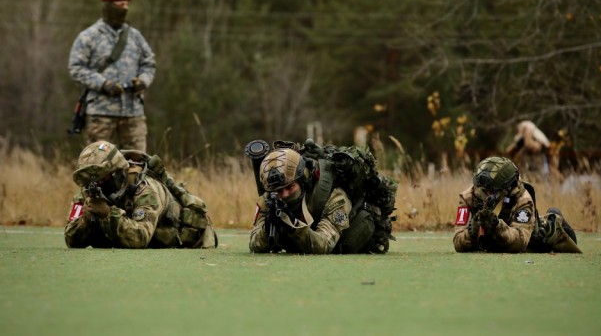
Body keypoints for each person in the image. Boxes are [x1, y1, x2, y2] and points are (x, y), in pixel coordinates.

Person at [65, 141, 217, 249]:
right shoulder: (88, 192)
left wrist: (108, 214)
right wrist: (84, 221)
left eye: (103, 179)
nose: (98, 185)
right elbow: (71, 240)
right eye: (92, 180)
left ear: (118, 173)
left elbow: (140, 238)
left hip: (187, 241)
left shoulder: (146, 189)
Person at [249, 144, 396, 254]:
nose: (285, 195)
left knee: (345, 247)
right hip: (308, 233)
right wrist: (267, 229)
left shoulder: (334, 196)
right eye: (279, 191)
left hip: (344, 233)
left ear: (303, 180)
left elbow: (324, 244)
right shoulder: (270, 197)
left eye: (290, 187)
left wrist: (292, 226)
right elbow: (254, 244)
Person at [68, 0, 155, 152]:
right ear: (108, 6)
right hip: (101, 115)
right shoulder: (89, 36)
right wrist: (103, 84)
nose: (125, 8)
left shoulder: (135, 36)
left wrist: (143, 81)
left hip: (132, 113)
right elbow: (76, 68)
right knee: (99, 163)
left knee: (137, 164)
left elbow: (149, 63)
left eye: (127, 5)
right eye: (121, 4)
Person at [453, 156, 580, 253]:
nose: (485, 193)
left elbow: (520, 242)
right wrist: (472, 231)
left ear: (506, 188)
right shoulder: (468, 197)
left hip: (532, 238)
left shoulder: (523, 199)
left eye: (491, 190)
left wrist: (497, 226)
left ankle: (554, 219)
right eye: (482, 188)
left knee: (542, 237)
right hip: (493, 240)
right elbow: (458, 242)